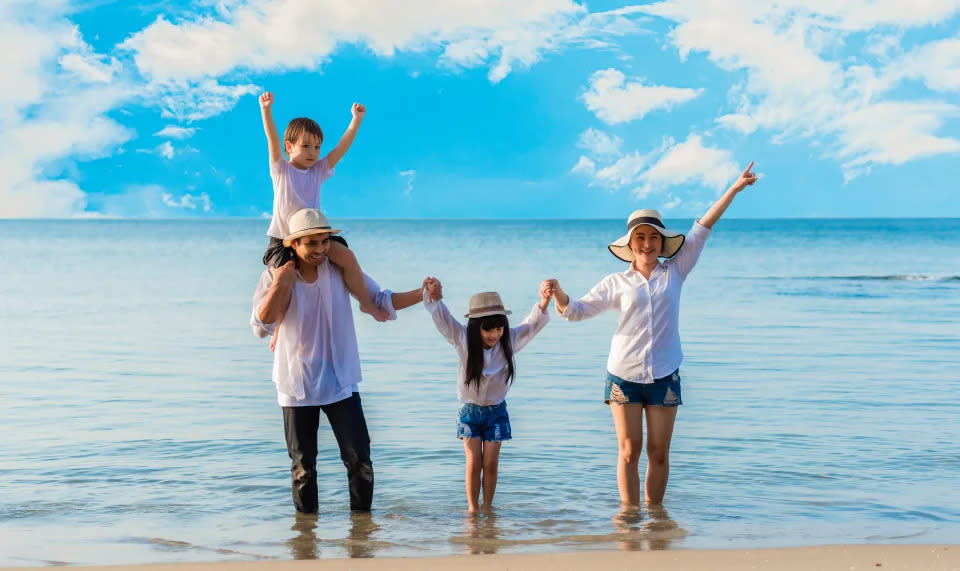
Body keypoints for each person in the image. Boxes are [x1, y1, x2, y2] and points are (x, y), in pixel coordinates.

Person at [550, 162, 759, 508]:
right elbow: (577, 311)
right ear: (631, 244)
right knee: (629, 451)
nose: (647, 244)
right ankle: (630, 519)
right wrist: (558, 293)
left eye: (652, 237)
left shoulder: (676, 270)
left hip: (664, 374)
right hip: (624, 375)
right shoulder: (615, 282)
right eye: (640, 238)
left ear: (661, 242)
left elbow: (703, 226)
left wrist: (734, 189)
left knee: (659, 452)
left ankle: (657, 519)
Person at [250, 208, 428, 513]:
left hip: (340, 382)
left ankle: (362, 534)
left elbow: (379, 300)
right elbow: (260, 326)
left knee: (360, 460)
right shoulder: (274, 275)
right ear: (293, 244)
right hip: (296, 384)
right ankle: (306, 543)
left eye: (324, 242)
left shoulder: (339, 271)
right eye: (311, 243)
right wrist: (281, 282)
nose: (320, 250)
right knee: (303, 469)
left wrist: (423, 294)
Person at [423, 278, 554, 512]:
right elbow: (444, 321)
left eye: (499, 327)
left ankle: (488, 508)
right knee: (474, 463)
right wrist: (434, 298)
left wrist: (544, 302)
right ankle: (473, 510)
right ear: (476, 327)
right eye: (488, 329)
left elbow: (530, 326)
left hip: (497, 412)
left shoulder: (508, 341)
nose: (495, 334)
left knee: (491, 464)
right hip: (470, 412)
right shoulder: (463, 339)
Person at [258, 90, 388, 322]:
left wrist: (356, 120)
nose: (313, 153)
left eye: (317, 147)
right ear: (289, 146)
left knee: (347, 257)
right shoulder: (281, 170)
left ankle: (367, 304)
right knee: (285, 276)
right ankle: (277, 328)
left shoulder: (318, 170)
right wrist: (266, 111)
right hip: (282, 238)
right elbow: (272, 140)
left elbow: (341, 148)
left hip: (314, 235)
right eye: (306, 146)